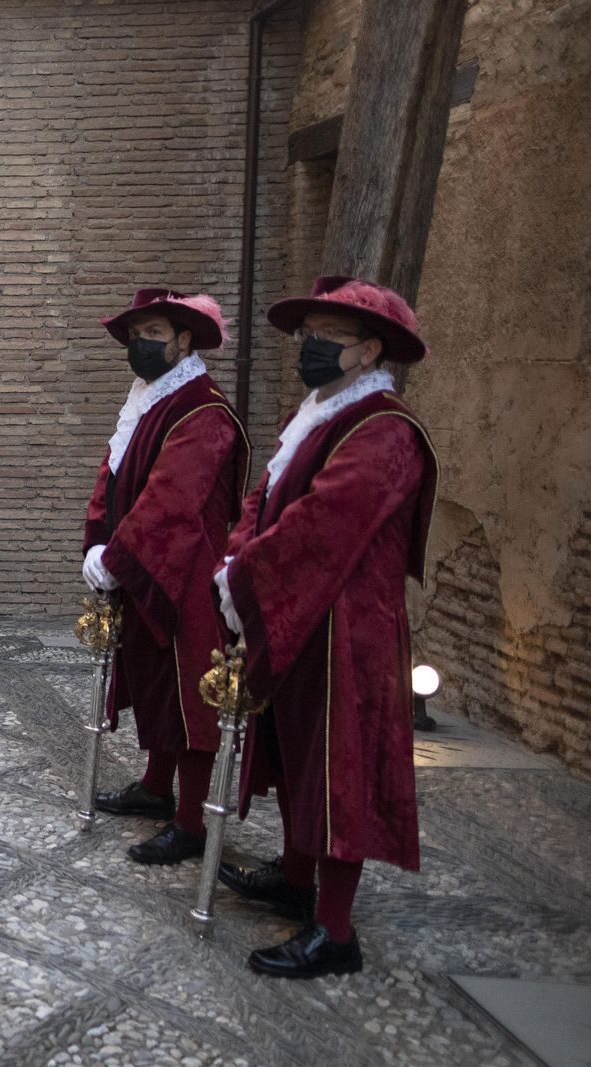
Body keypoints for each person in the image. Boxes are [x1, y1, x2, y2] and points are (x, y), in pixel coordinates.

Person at [216, 276, 438, 978]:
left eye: (327, 337)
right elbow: (267, 497)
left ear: (370, 350)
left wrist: (248, 577)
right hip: (300, 614)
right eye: (306, 332)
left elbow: (326, 522)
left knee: (339, 771)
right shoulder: (316, 414)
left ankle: (335, 930)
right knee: (297, 756)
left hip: (350, 631)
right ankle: (294, 875)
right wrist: (236, 557)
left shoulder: (387, 432)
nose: (308, 347)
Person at [81, 289, 250, 866]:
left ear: (183, 340)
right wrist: (99, 539)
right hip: (143, 561)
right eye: (134, 336)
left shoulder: (204, 410)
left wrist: (119, 554)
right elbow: (113, 470)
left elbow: (172, 498)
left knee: (189, 694)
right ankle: (156, 789)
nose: (140, 346)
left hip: (188, 569)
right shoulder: (147, 399)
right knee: (153, 681)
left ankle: (191, 822)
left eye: (152, 334)